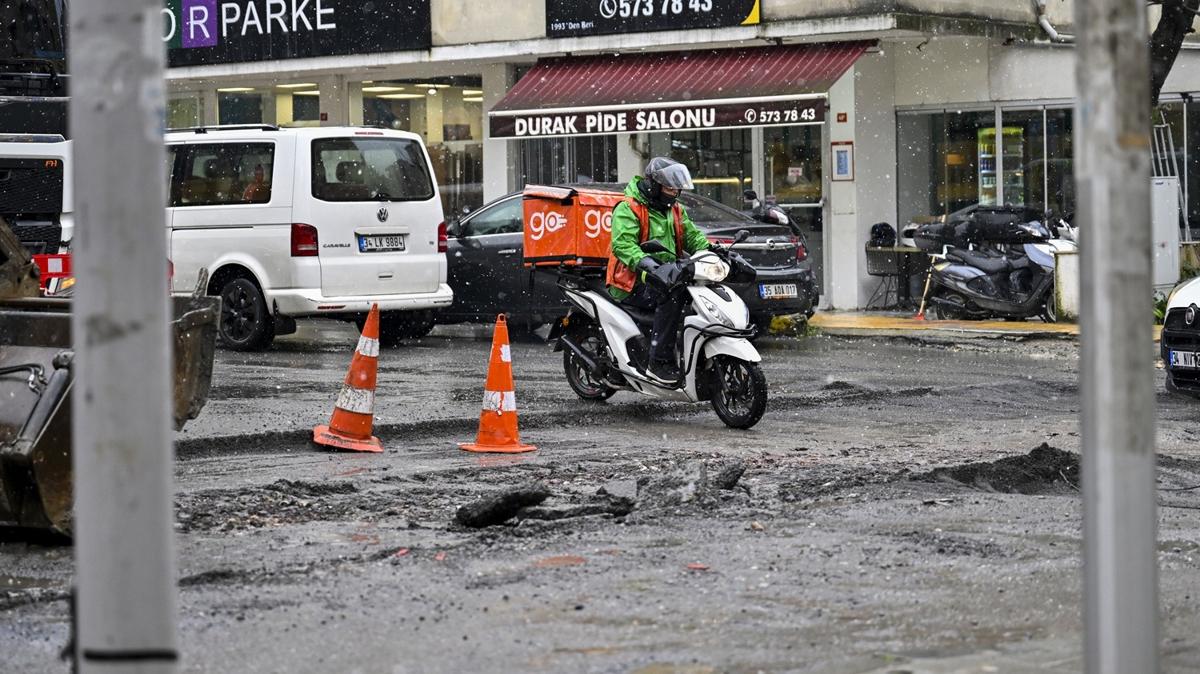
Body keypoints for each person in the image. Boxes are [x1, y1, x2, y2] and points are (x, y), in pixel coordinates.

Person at [607, 157, 710, 384]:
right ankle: (659, 362)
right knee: (673, 295)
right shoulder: (628, 208)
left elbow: (692, 237)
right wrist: (650, 265)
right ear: (654, 185)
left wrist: (714, 252)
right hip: (632, 280)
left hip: (667, 274)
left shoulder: (674, 210)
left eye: (676, 188)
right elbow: (623, 245)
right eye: (669, 187)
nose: (674, 192)